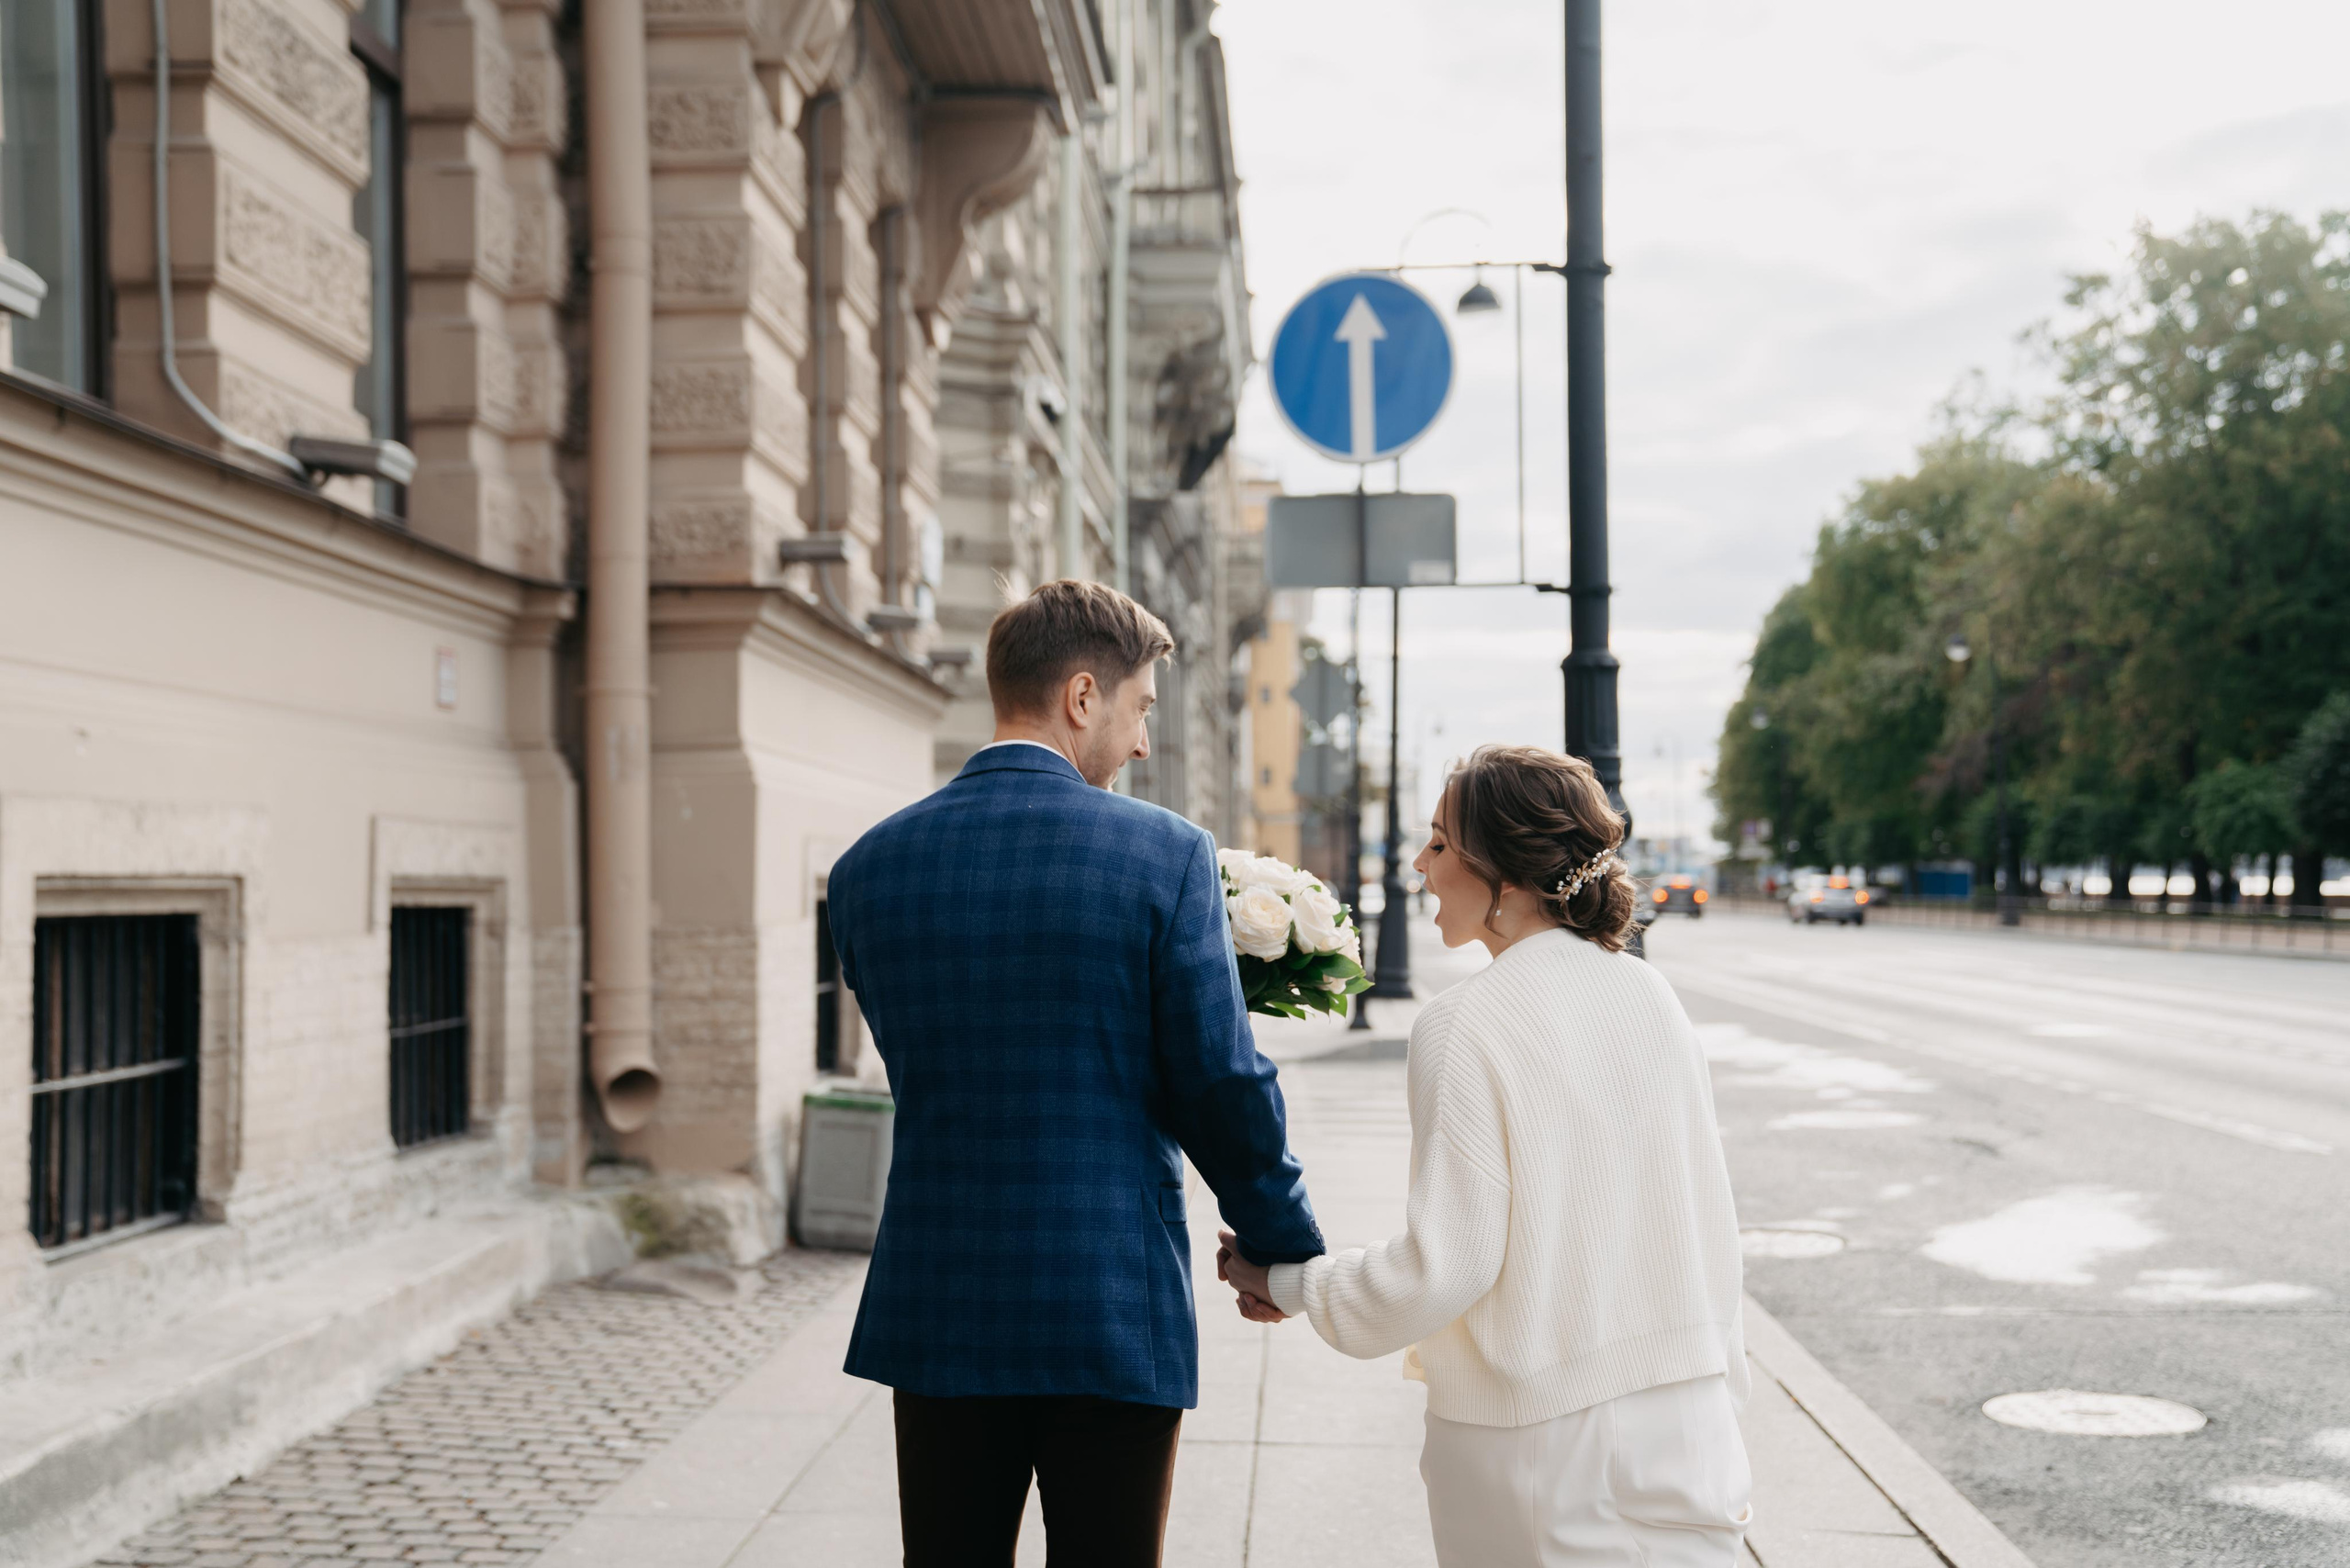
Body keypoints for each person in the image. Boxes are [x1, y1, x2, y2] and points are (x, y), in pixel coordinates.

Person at [825, 578, 1325, 1568]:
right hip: (1108, 1298)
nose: (1143, 743)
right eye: (1141, 709)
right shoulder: (1162, 854)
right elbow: (1220, 1080)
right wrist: (1281, 1245)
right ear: (1083, 695)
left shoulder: (865, 868)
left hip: (938, 1297)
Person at [1220, 744, 1751, 1566]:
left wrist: (1290, 1284)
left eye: (1439, 843)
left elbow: (1447, 1266)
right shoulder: (1650, 994)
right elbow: (1709, 1221)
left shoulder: (1466, 1023)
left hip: (1536, 1441)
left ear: (1505, 875)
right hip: (1688, 1418)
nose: (1420, 865)